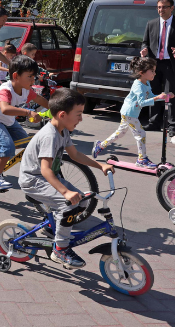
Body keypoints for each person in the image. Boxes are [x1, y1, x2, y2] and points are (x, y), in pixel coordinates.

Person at [18, 88, 115, 269]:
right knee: (68, 204)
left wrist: (100, 165)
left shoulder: (62, 131)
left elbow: (76, 154)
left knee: (83, 202)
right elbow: (45, 170)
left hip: (47, 178)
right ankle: (60, 249)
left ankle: (54, 228)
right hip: (34, 180)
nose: (81, 119)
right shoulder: (49, 135)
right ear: (62, 114)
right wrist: (66, 192)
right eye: (78, 114)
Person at [0, 55, 49, 189]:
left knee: (26, 142)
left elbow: (41, 100)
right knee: (7, 147)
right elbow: (5, 109)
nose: (33, 80)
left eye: (34, 76)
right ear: (16, 76)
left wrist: (57, 110)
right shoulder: (6, 90)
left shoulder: (26, 90)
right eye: (30, 76)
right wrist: (28, 112)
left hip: (7, 121)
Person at [91, 57, 173, 168]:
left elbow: (151, 97)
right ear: (142, 72)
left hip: (130, 112)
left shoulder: (147, 83)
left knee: (120, 133)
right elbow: (142, 103)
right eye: (152, 71)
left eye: (154, 70)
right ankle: (141, 159)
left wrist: (163, 97)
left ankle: (100, 145)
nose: (155, 73)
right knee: (141, 134)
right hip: (129, 113)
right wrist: (157, 97)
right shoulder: (138, 85)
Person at [140, 0, 175, 137]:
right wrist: (144, 50)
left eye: (164, 7)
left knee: (170, 95)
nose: (161, 10)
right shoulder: (151, 23)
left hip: (170, 63)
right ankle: (154, 122)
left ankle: (172, 126)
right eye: (159, 7)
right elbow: (145, 42)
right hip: (154, 64)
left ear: (172, 8)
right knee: (154, 93)